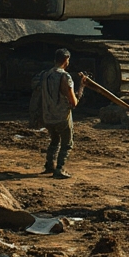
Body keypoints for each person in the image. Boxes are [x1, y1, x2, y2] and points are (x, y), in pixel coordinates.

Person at [37, 49, 86, 179]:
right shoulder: (64, 77)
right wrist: (81, 87)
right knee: (67, 143)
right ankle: (59, 169)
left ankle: (49, 165)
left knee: (54, 140)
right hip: (62, 116)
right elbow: (73, 102)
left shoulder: (45, 74)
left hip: (48, 116)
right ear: (66, 59)